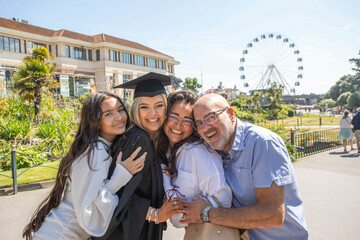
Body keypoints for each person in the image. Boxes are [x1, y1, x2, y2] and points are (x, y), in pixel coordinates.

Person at [182, 94, 309, 240]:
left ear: (230, 114)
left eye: (211, 117)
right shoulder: (214, 150)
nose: (205, 127)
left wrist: (207, 214)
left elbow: (272, 215)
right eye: (198, 123)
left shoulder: (262, 143)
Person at [23, 91, 147, 240]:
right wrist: (120, 177)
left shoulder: (99, 148)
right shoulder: (95, 153)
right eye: (108, 114)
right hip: (59, 235)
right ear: (94, 121)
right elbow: (89, 212)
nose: (119, 117)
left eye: (120, 110)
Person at [98, 72, 183, 240]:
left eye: (159, 105)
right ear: (136, 109)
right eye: (144, 107)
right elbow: (120, 195)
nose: (152, 113)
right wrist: (156, 214)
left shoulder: (148, 138)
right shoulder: (138, 140)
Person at [156, 90, 232, 230]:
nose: (179, 125)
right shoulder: (167, 151)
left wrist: (201, 211)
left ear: (194, 126)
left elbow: (224, 198)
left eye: (187, 120)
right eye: (174, 116)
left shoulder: (197, 152)